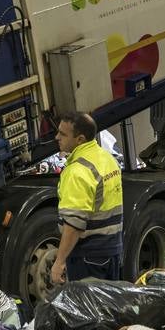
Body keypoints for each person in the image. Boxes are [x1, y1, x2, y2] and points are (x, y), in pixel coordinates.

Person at [50, 112, 124, 285]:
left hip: (88, 255)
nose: (56, 137)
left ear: (80, 139)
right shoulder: (106, 158)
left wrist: (59, 262)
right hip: (111, 249)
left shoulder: (78, 171)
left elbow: (74, 224)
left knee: (89, 310)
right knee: (107, 307)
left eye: (62, 134)